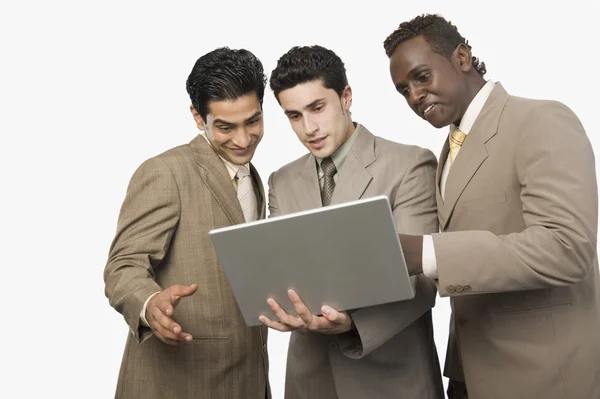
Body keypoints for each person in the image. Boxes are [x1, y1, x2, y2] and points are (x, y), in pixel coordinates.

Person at [383, 13, 600, 399]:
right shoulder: (449, 150)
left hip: (543, 378)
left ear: (462, 57)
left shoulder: (539, 120)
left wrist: (426, 252)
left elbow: (568, 247)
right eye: (403, 90)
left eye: (421, 77)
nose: (414, 97)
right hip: (470, 375)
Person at [261, 45, 444, 399]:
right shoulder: (281, 181)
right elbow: (281, 271)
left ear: (345, 97)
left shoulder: (409, 165)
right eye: (294, 116)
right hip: (310, 381)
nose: (309, 128)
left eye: (317, 108)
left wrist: (351, 324)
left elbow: (423, 280)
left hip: (391, 379)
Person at [104, 47, 271, 399]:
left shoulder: (254, 178)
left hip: (246, 382)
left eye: (252, 122)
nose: (243, 140)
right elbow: (122, 266)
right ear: (198, 117)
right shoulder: (165, 172)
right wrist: (150, 304)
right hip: (177, 385)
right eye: (226, 127)